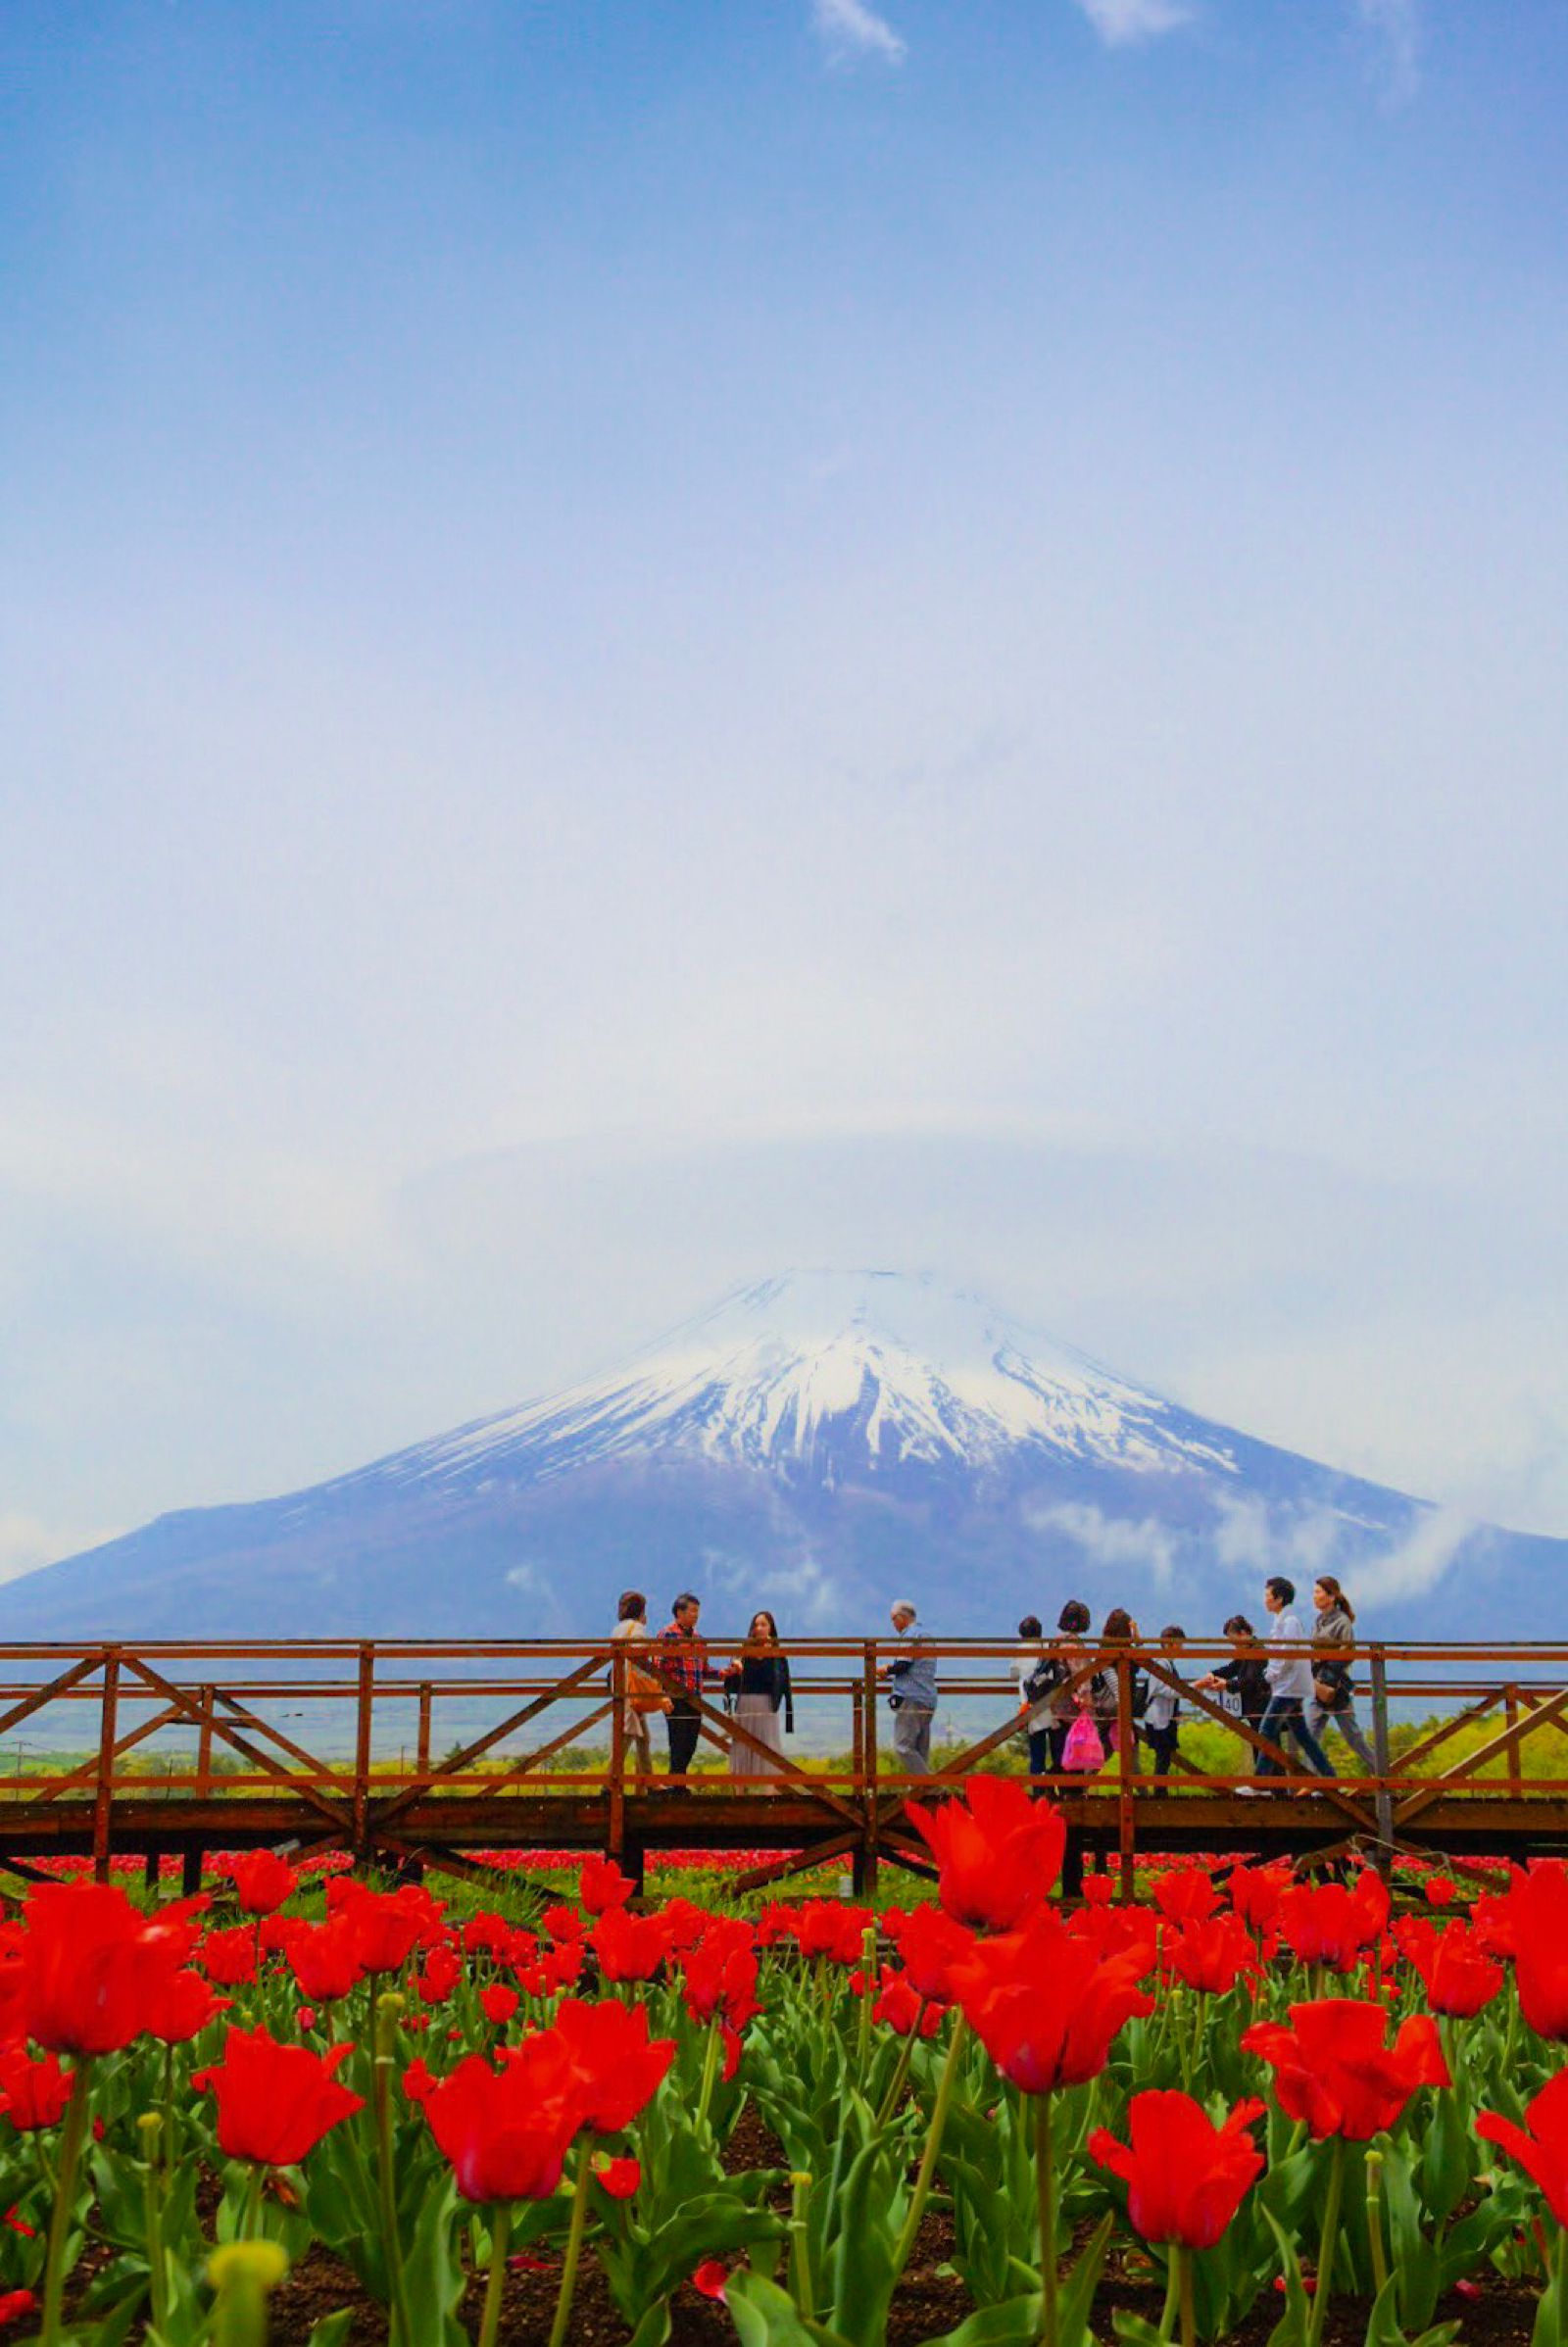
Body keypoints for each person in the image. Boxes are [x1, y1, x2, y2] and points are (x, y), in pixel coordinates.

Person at [1253, 1576, 1334, 1785]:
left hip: (1288, 1688)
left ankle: (1261, 1783)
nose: (1265, 1600)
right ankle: (1329, 1777)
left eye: (1267, 1595)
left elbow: (1286, 1655)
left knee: (1265, 1731)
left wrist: (1270, 1676)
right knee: (1303, 1736)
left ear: (1278, 1599)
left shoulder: (1289, 1622)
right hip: (1290, 1687)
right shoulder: (1283, 1620)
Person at [1305, 1575, 1377, 1774]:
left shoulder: (1342, 1622)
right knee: (1310, 1734)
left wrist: (1327, 1671)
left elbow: (1348, 1653)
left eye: (1318, 1592)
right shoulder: (1318, 1620)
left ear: (1331, 1596)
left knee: (1352, 1736)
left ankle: (1381, 1774)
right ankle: (1313, 1783)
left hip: (1336, 1686)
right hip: (1318, 1685)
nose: (1314, 1597)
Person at [1195, 1615, 1270, 1781]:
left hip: (1260, 1706)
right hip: (1253, 1707)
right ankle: (1267, 1785)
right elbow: (1232, 1668)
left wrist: (1226, 1685)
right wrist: (1213, 1674)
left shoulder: (1257, 1652)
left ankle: (1270, 1786)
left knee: (1266, 1747)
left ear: (1243, 1633)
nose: (1234, 1646)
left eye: (1234, 1641)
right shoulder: (1248, 1651)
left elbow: (1249, 1681)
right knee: (1261, 1746)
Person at [724, 1610, 794, 1786]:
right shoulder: (744, 1650)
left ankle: (769, 1793)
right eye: (756, 1625)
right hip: (746, 1702)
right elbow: (731, 1676)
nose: (759, 1628)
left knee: (768, 1746)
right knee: (742, 1746)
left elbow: (784, 1681)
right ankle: (740, 1793)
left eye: (763, 1624)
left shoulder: (778, 1653)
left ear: (771, 1628)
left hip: (767, 1705)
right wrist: (736, 1666)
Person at [658, 1591, 721, 1783]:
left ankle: (677, 1781)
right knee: (677, 1741)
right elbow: (657, 1666)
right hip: (675, 1696)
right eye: (692, 1611)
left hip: (695, 1697)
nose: (696, 1615)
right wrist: (661, 1694)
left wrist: (727, 1673)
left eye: (697, 1611)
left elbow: (704, 1669)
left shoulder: (699, 1638)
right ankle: (676, 1784)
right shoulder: (667, 1634)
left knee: (690, 1743)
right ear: (679, 1612)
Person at [610, 1589, 665, 1785]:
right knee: (627, 1736)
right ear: (640, 1610)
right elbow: (641, 1664)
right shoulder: (638, 1629)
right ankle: (610, 1784)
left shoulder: (618, 1629)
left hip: (620, 1686)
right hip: (632, 1689)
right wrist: (657, 1690)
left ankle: (650, 1782)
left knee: (642, 1737)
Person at [877, 1599, 938, 1775]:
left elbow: (903, 1665)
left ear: (902, 1618)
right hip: (928, 1697)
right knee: (920, 1752)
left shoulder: (910, 1635)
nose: (893, 1624)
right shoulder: (927, 1636)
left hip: (911, 1697)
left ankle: (932, 1789)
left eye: (893, 1619)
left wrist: (886, 1669)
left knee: (902, 1747)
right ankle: (923, 1797)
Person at [1045, 1598, 1096, 1770]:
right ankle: (1072, 1793)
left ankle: (1050, 1787)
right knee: (1075, 1755)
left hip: (1052, 1703)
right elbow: (1081, 1675)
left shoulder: (1054, 1642)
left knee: (1059, 1752)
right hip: (1070, 1707)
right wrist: (1086, 1700)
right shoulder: (1074, 1645)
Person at [1140, 1625, 1186, 1781]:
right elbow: (1163, 1690)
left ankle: (1160, 1791)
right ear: (1169, 1644)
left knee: (1164, 1757)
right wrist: (1192, 1689)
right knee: (1163, 1756)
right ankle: (1159, 1792)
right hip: (1159, 1718)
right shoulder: (1162, 1663)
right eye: (1179, 1644)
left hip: (1163, 1716)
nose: (1182, 1648)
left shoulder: (1166, 1663)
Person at [1013, 1614, 1057, 1778]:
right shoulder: (1047, 1647)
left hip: (1030, 1706)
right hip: (1051, 1704)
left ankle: (1039, 1791)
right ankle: (1057, 1787)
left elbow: (1014, 1674)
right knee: (1056, 1752)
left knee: (1037, 1755)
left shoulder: (1020, 1651)